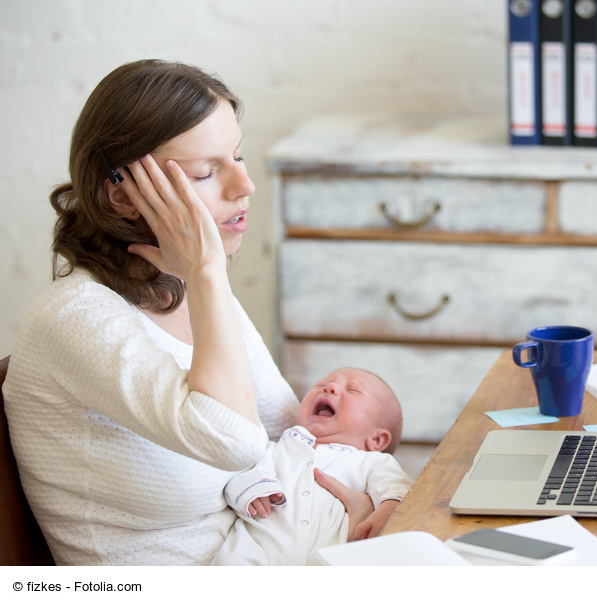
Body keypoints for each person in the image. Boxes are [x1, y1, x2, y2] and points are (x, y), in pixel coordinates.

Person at [3, 59, 375, 565]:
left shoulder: (185, 290)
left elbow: (290, 436)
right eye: (206, 172)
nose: (244, 186)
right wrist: (207, 274)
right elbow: (238, 443)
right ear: (122, 194)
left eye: (239, 156)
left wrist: (368, 498)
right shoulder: (76, 318)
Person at [212, 367, 412, 565]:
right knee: (234, 559)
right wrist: (250, 490)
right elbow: (238, 472)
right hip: (263, 548)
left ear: (377, 439)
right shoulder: (277, 448)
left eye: (353, 390)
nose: (330, 387)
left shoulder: (372, 462)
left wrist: (389, 509)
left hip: (330, 553)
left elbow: (398, 487)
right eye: (321, 385)